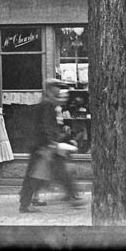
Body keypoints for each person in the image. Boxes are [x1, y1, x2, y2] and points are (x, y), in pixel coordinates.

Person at [18, 78, 86, 213]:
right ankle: (72, 196)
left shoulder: (48, 104)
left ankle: (71, 196)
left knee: (40, 174)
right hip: (44, 147)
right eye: (56, 87)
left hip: (43, 146)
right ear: (49, 89)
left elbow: (48, 126)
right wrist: (51, 143)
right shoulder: (47, 104)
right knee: (41, 174)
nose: (58, 90)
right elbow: (46, 126)